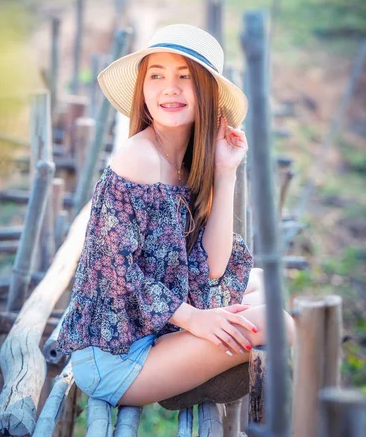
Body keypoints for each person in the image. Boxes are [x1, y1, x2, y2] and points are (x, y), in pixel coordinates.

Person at [56, 24, 293, 407]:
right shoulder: (139, 157)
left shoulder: (187, 162)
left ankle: (190, 370)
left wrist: (225, 171)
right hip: (115, 354)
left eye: (185, 76)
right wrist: (196, 320)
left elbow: (213, 268)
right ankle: (187, 380)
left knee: (264, 284)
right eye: (157, 75)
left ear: (207, 93)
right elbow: (113, 271)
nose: (170, 87)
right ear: (143, 89)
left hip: (151, 328)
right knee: (281, 325)